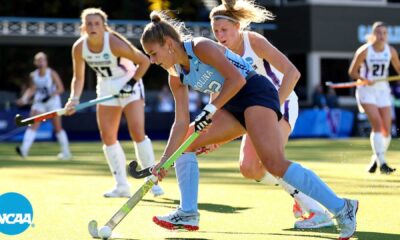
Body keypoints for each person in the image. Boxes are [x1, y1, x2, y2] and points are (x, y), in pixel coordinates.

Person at [140, 7, 358, 240]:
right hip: (232, 104)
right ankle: (188, 213)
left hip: (256, 92)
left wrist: (210, 110)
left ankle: (342, 207)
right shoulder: (175, 76)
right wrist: (163, 162)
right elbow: (180, 122)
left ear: (168, 43)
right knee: (185, 142)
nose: (152, 61)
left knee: (273, 162)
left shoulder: (200, 46)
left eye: (153, 53)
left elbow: (236, 79)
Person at [197, 1, 333, 229]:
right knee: (249, 169)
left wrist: (273, 107)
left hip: (281, 102)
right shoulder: (216, 52)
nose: (219, 36)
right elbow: (217, 94)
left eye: (224, 30)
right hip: (252, 110)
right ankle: (299, 191)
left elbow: (293, 73)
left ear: (238, 27)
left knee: (273, 161)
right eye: (216, 31)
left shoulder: (253, 41)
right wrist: (214, 136)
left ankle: (318, 210)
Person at [64, 8, 164, 198]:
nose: (93, 27)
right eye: (89, 23)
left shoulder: (114, 43)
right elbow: (78, 78)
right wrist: (73, 99)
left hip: (129, 84)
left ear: (103, 27)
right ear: (83, 27)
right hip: (106, 88)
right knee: (108, 137)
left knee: (137, 132)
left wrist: (131, 84)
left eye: (97, 23)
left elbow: (144, 61)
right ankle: (121, 185)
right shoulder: (79, 47)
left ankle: (152, 182)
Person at [348, 21, 400, 174]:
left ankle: (375, 160)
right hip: (366, 91)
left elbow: (398, 69)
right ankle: (383, 163)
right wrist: (363, 78)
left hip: (383, 90)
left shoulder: (390, 51)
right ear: (373, 35)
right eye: (378, 33)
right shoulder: (364, 51)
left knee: (387, 130)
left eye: (384, 33)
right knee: (377, 124)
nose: (381, 36)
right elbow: (352, 72)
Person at [16, 52, 72, 160]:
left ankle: (66, 153)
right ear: (35, 62)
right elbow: (32, 89)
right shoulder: (33, 75)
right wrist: (24, 99)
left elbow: (60, 88)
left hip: (53, 103)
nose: (41, 62)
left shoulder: (52, 73)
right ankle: (24, 150)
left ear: (46, 62)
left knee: (58, 128)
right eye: (39, 60)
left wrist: (50, 96)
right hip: (39, 103)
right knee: (33, 125)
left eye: (43, 60)